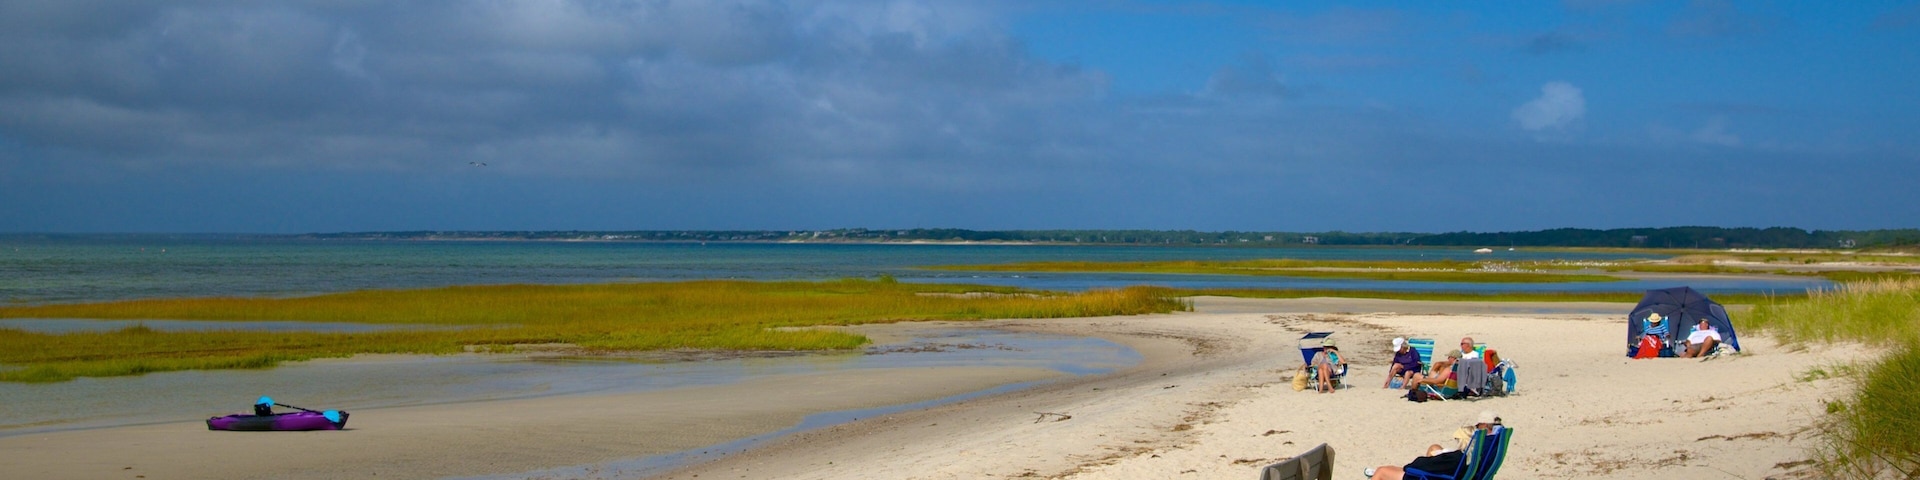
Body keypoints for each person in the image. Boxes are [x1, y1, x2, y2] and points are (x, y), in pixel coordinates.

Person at [1364, 411, 1504, 480]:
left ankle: (1375, 473)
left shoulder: (1456, 458)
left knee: (1382, 471)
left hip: (1433, 476)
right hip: (1449, 473)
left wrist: (1416, 465)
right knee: (1434, 450)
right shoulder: (1487, 448)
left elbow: (1413, 466)